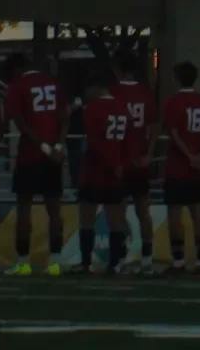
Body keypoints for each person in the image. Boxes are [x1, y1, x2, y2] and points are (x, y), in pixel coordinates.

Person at [3, 53, 66, 277]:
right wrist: (57, 146)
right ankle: (56, 263)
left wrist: (44, 147)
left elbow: (21, 124)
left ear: (15, 70)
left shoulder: (17, 86)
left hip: (30, 155)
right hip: (52, 156)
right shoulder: (52, 83)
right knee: (54, 210)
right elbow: (63, 117)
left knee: (24, 209)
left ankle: (23, 263)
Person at [160, 60, 200, 274]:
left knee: (175, 214)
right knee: (197, 213)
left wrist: (190, 155)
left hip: (177, 166)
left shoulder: (173, 102)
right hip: (197, 169)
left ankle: (178, 261)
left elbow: (173, 134)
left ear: (176, 78)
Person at [72, 75, 131, 275]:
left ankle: (86, 263)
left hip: (94, 170)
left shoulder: (93, 109)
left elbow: (95, 141)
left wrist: (111, 162)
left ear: (96, 87)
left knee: (86, 218)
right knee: (115, 220)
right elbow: (126, 142)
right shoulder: (122, 108)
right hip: (115, 171)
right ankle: (114, 264)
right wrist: (119, 164)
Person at [111, 50, 158, 275]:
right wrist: (149, 152)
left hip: (121, 160)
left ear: (118, 69)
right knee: (143, 212)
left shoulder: (115, 93)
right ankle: (148, 259)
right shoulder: (145, 93)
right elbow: (154, 125)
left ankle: (121, 258)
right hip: (140, 160)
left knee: (118, 213)